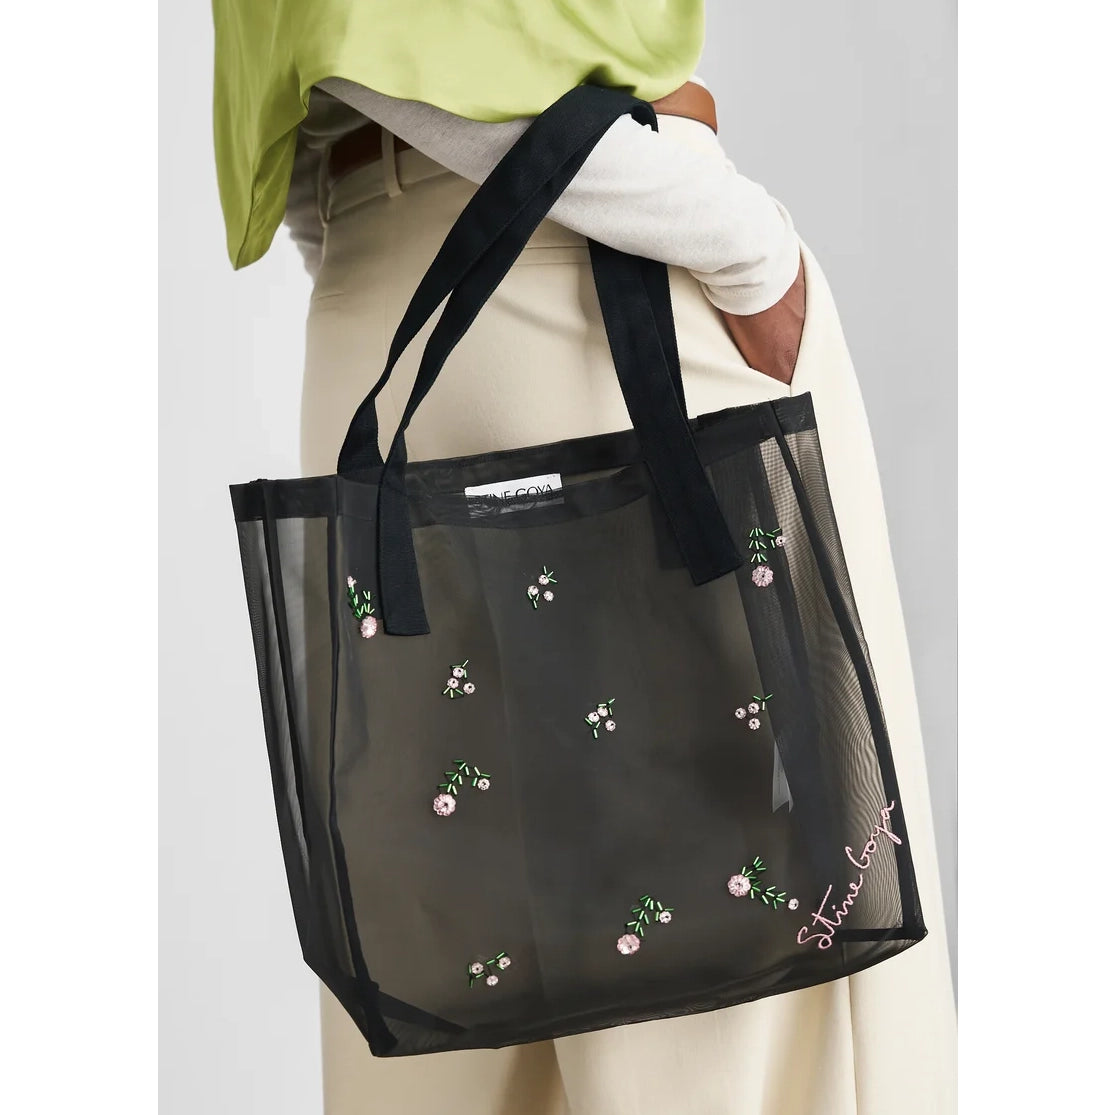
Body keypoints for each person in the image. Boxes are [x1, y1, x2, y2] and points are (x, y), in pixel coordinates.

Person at [212, 3, 957, 1112]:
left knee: (451, 1011)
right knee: (733, 1007)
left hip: (374, 297)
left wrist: (373, 243)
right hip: (606, 255)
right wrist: (750, 253)